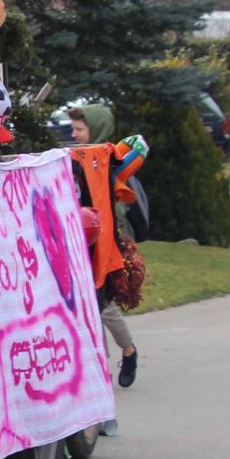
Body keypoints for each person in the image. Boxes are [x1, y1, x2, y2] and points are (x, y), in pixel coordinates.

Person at [69, 105, 143, 389]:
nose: (74, 134)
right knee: (89, 309)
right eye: (73, 129)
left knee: (105, 308)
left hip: (103, 246)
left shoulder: (105, 159)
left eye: (79, 129)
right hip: (79, 244)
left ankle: (129, 351)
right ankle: (101, 371)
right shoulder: (73, 160)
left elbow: (139, 148)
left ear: (96, 130)